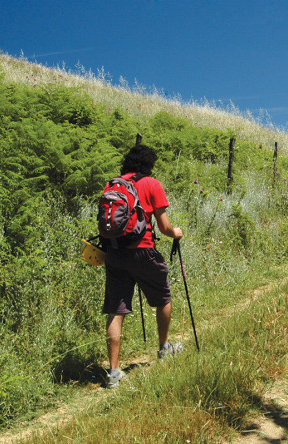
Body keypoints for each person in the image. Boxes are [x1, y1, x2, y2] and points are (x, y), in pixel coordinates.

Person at [103, 144, 184, 389]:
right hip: (143, 251)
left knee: (116, 309)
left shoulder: (113, 185)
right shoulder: (151, 183)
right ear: (149, 164)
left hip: (115, 253)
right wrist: (175, 233)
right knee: (163, 298)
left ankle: (114, 373)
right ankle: (163, 348)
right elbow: (163, 226)